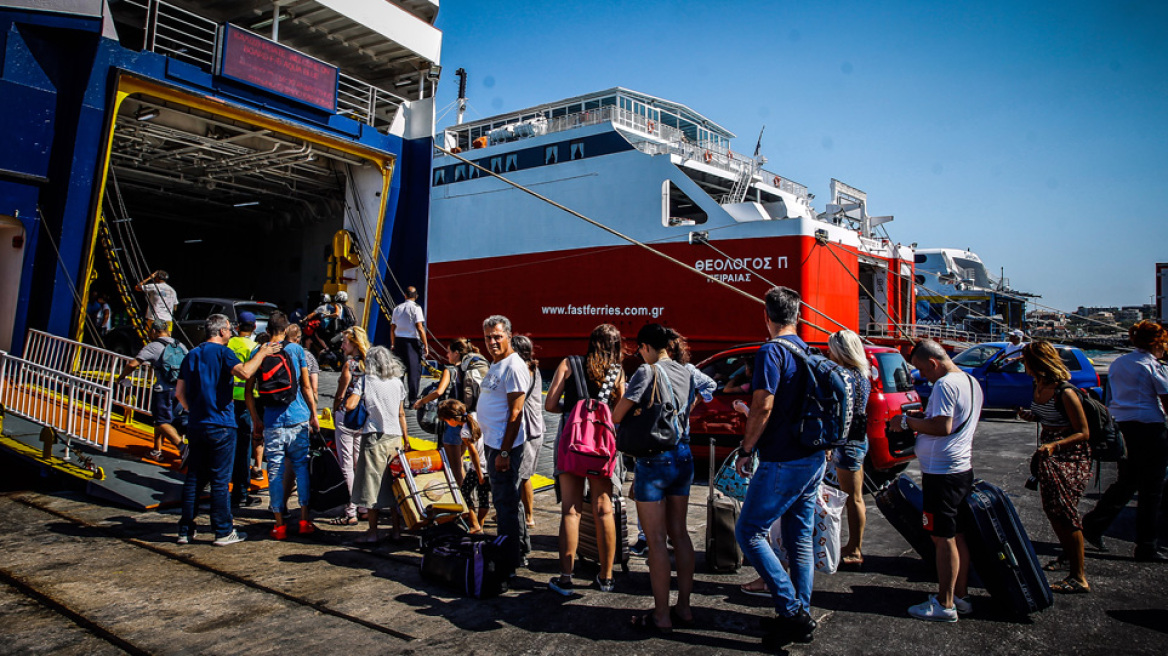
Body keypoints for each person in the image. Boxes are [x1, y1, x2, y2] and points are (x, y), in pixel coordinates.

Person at [732, 287, 824, 647]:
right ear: (797, 316)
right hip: (813, 456)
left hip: (783, 459)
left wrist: (746, 447)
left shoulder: (771, 351)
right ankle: (801, 611)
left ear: (765, 316)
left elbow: (763, 406)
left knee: (749, 531)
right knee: (799, 537)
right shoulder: (807, 351)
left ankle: (791, 611)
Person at [614, 323, 695, 631]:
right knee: (681, 534)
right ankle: (684, 607)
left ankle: (661, 614)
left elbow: (617, 414)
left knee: (657, 541)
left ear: (646, 346)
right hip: (683, 455)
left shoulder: (646, 372)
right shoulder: (685, 371)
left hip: (653, 460)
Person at [174, 314, 280, 546]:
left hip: (197, 423)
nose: (231, 332)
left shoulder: (191, 354)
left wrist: (194, 410)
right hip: (221, 423)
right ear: (221, 331)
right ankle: (222, 530)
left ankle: (185, 530)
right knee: (221, 480)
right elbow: (244, 372)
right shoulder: (224, 353)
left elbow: (179, 393)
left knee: (194, 478)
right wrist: (262, 353)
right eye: (229, 329)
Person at [901, 339, 983, 622]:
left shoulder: (944, 384)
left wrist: (908, 423)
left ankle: (944, 603)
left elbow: (942, 426)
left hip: (941, 474)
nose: (923, 377)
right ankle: (959, 596)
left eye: (923, 371)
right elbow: (952, 420)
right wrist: (923, 417)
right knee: (956, 534)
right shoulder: (970, 381)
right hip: (960, 469)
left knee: (942, 537)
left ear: (934, 363)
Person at [545, 324, 626, 591]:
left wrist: (572, 412)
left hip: (572, 444)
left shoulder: (569, 363)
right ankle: (606, 577)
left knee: (571, 510)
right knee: (604, 509)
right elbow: (621, 411)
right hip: (603, 448)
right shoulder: (618, 371)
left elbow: (550, 404)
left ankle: (566, 578)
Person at [1082, 320, 1168, 562]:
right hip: (1149, 427)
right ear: (1157, 343)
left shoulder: (1120, 363)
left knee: (1127, 482)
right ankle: (1146, 544)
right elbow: (1165, 400)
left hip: (1123, 427)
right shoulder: (1152, 366)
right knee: (1152, 489)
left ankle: (1095, 523)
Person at [1016, 341, 1093, 592]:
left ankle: (1078, 576)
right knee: (1053, 510)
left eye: (1025, 360)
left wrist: (1054, 446)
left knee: (1065, 511)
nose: (1022, 365)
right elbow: (1047, 415)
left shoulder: (1065, 392)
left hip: (1069, 454)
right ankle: (1068, 558)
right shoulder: (1037, 385)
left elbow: (1083, 432)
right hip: (1049, 451)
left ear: (1036, 363)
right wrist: (1032, 416)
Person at [245, 311, 319, 540]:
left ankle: (279, 525)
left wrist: (256, 418)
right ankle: (305, 520)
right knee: (301, 469)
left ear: (267, 331)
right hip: (298, 417)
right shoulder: (297, 351)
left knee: (275, 471)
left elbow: (249, 391)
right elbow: (306, 386)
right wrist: (313, 415)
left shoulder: (258, 351)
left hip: (272, 420)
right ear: (286, 329)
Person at [478, 315, 531, 572]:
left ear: (509, 335)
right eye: (488, 337)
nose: (492, 342)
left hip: (503, 447)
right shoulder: (496, 363)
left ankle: (508, 558)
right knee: (509, 500)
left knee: (505, 503)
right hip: (493, 443)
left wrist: (505, 451)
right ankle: (518, 550)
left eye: (497, 336)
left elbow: (515, 413)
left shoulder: (513, 366)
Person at [344, 346, 408, 544]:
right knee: (394, 485)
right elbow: (401, 414)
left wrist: (354, 396)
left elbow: (350, 406)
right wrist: (406, 439)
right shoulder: (397, 382)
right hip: (395, 436)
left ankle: (372, 531)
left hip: (374, 437)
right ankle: (396, 530)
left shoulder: (366, 380)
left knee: (372, 486)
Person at [115, 319, 187, 463]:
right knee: (165, 421)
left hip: (163, 390)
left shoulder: (153, 346)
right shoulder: (180, 345)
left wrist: (122, 376)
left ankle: (183, 448)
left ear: (154, 331)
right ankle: (157, 450)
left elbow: (133, 364)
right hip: (180, 389)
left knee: (161, 421)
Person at [828, 330, 872, 569]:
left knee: (852, 498)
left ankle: (855, 548)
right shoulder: (861, 376)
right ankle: (853, 545)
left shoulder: (845, 377)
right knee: (855, 497)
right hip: (858, 439)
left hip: (847, 442)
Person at [329, 326, 370, 526]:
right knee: (358, 462)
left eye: (345, 342)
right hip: (363, 416)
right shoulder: (369, 365)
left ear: (354, 344)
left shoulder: (350, 365)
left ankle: (350, 509)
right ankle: (363, 506)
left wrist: (336, 406)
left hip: (347, 415)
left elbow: (340, 392)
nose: (342, 345)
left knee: (346, 464)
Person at [438, 400, 490, 533]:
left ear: (452, 420)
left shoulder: (464, 432)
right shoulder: (475, 417)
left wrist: (479, 474)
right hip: (489, 465)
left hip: (478, 468)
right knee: (483, 498)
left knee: (464, 494)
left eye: (446, 421)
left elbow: (473, 454)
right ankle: (481, 525)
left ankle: (474, 524)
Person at [227, 311, 260, 508]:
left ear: (237, 326)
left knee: (227, 446)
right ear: (254, 327)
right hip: (246, 402)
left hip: (226, 400)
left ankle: (221, 487)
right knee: (243, 449)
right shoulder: (254, 348)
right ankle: (240, 492)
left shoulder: (228, 344)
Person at [512, 335, 545, 531]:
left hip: (526, 428)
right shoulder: (533, 368)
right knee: (522, 475)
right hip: (534, 427)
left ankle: (529, 516)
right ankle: (519, 512)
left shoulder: (523, 371)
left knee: (523, 475)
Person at [391, 286, 430, 404]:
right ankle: (413, 400)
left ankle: (398, 399)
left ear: (405, 295)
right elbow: (420, 327)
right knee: (414, 372)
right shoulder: (416, 308)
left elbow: (392, 328)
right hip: (412, 342)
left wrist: (393, 344)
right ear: (416, 296)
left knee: (399, 371)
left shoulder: (397, 309)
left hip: (398, 342)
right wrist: (426, 345)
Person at [285, 324, 319, 404]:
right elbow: (313, 388)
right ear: (298, 339)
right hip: (301, 403)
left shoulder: (279, 349)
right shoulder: (307, 355)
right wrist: (314, 411)